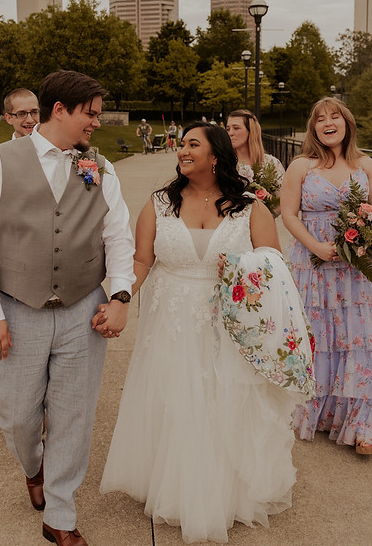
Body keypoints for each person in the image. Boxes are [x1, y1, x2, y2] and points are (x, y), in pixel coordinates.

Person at [101, 121, 302, 544]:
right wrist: (120, 298)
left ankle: (223, 490)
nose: (182, 150)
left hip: (225, 321)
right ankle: (173, 482)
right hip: (170, 319)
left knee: (219, 397)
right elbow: (141, 262)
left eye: (194, 144)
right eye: (182, 144)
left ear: (216, 155)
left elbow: (272, 266)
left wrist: (243, 272)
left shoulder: (252, 207)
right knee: (174, 396)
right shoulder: (159, 203)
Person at [0, 70, 135, 546]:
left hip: (84, 309)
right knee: (17, 414)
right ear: (60, 109)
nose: (96, 124)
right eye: (91, 114)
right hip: (17, 309)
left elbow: (117, 236)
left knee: (74, 415)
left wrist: (120, 296)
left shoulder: (101, 167)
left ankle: (60, 513)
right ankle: (33, 466)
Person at [279, 97, 372, 455]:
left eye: (335, 117)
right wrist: (316, 246)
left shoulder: (366, 165)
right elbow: (289, 214)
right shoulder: (302, 166)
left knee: (359, 338)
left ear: (347, 124)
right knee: (318, 336)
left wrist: (370, 240)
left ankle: (365, 425)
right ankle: (321, 413)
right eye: (320, 118)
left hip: (356, 267)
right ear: (313, 128)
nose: (328, 122)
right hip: (312, 263)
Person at [226, 109, 285, 185]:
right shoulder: (224, 163)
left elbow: (283, 195)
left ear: (251, 131)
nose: (230, 133)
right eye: (228, 129)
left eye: (236, 128)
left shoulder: (271, 164)